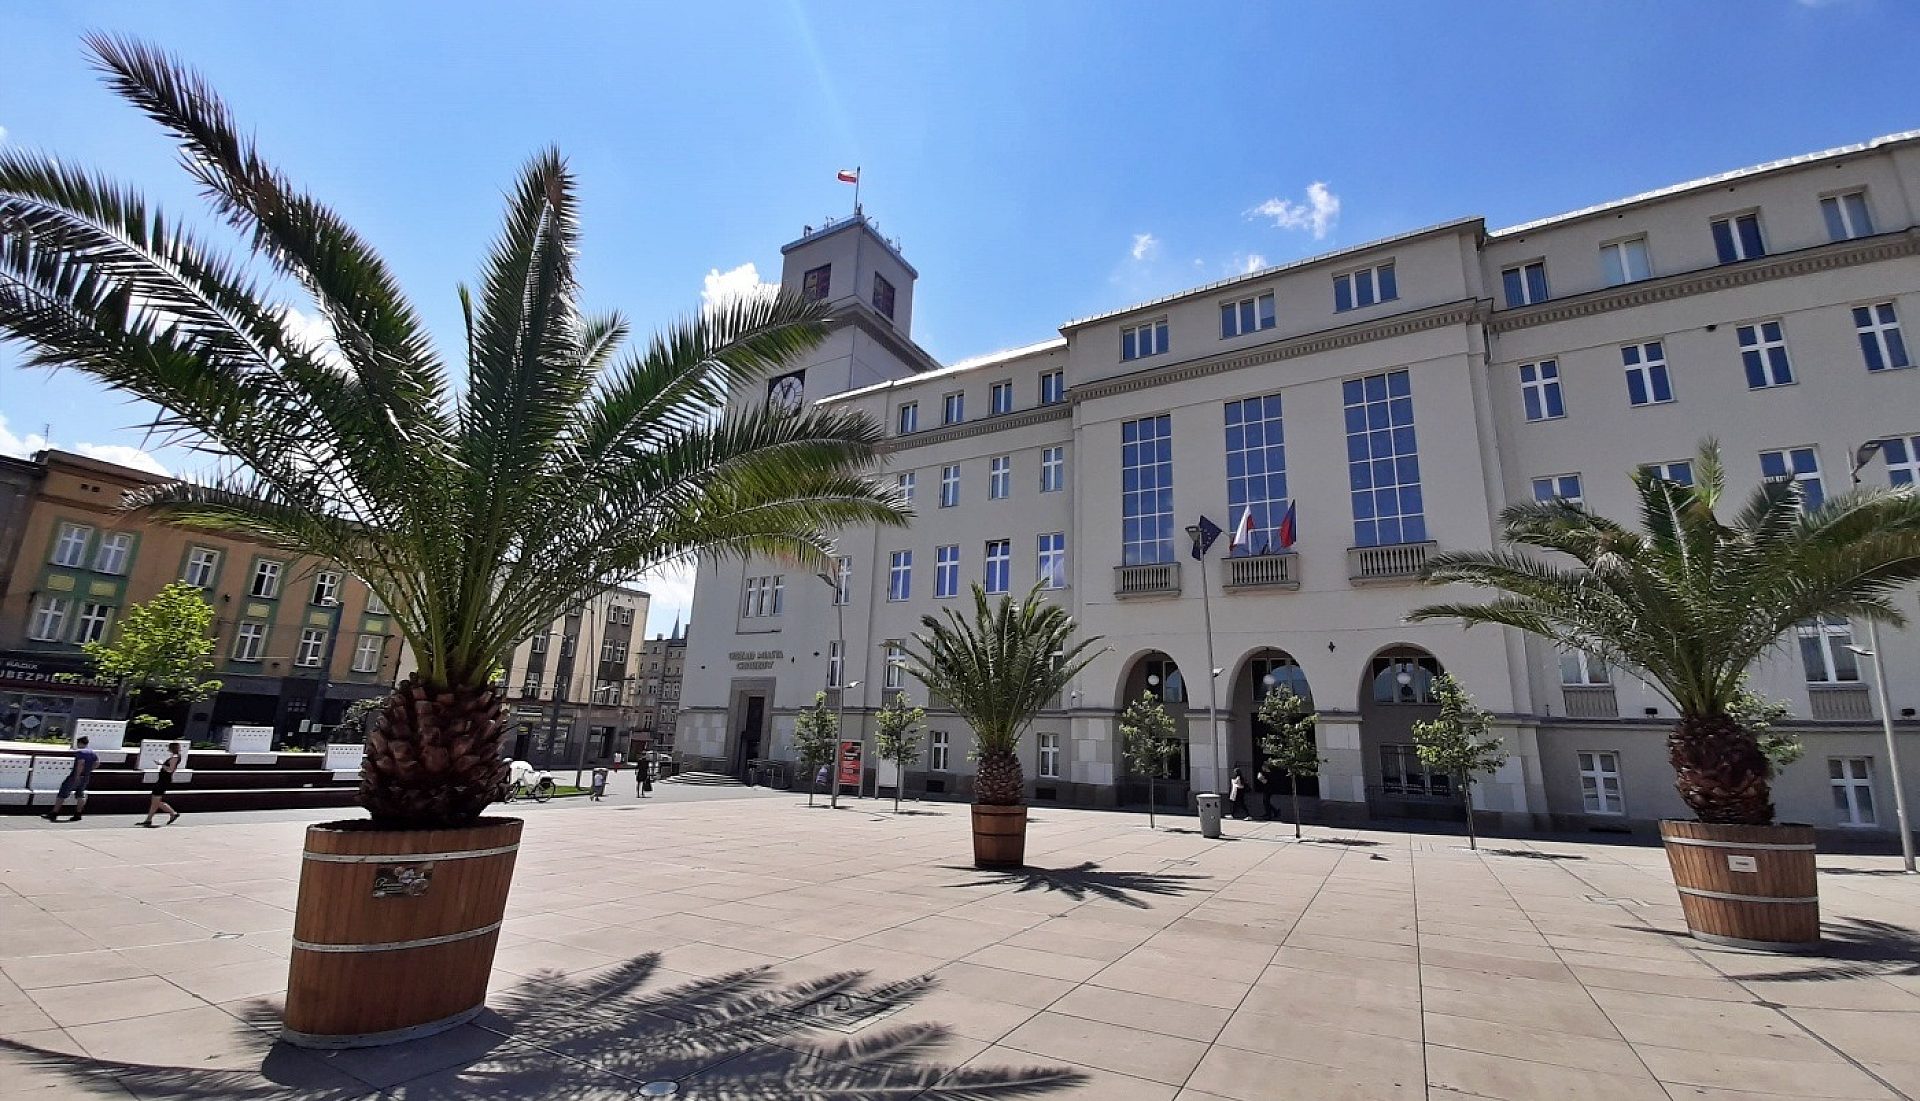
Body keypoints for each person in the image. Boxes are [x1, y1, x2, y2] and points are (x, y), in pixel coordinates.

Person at [44, 735, 98, 823]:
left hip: (75, 776)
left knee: (63, 792)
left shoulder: (81, 752)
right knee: (80, 794)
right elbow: (97, 763)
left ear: (80, 743)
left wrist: (77, 776)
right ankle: (78, 814)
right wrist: (89, 770)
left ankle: (54, 813)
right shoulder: (92, 753)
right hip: (86, 776)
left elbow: (81, 764)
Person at [141, 741, 183, 827]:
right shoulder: (176, 756)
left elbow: (170, 769)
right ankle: (149, 819)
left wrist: (161, 764)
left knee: (156, 800)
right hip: (163, 779)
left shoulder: (175, 757)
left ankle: (173, 813)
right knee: (155, 800)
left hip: (164, 780)